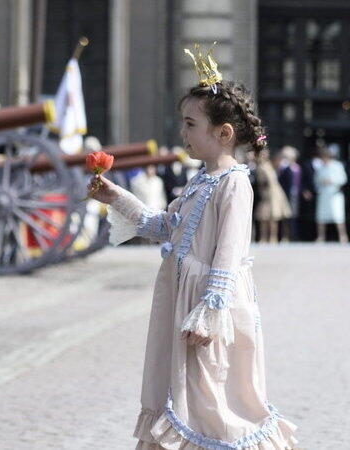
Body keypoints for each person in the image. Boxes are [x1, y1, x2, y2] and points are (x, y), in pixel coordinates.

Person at [88, 70, 298, 447]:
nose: (183, 132)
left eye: (190, 124)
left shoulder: (234, 182)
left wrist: (209, 309)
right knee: (180, 387)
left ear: (223, 133)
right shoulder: (200, 180)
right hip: (183, 298)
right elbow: (163, 225)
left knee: (210, 393)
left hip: (209, 304)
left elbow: (229, 252)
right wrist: (116, 197)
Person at [254, 148, 291, 243]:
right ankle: (263, 237)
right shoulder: (261, 167)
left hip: (275, 193)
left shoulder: (269, 165)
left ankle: (273, 237)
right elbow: (261, 183)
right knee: (264, 217)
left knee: (274, 217)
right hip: (267, 194)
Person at [314, 145, 348, 243]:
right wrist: (321, 184)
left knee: (338, 216)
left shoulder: (337, 165)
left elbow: (343, 179)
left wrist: (332, 181)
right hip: (323, 194)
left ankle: (343, 236)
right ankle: (321, 236)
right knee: (321, 217)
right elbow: (316, 181)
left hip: (335, 195)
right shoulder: (320, 167)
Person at [276, 146, 302, 242]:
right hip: (284, 193)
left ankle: (292, 235)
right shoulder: (283, 166)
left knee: (293, 214)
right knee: (284, 215)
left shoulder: (296, 167)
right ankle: (282, 236)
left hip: (294, 193)